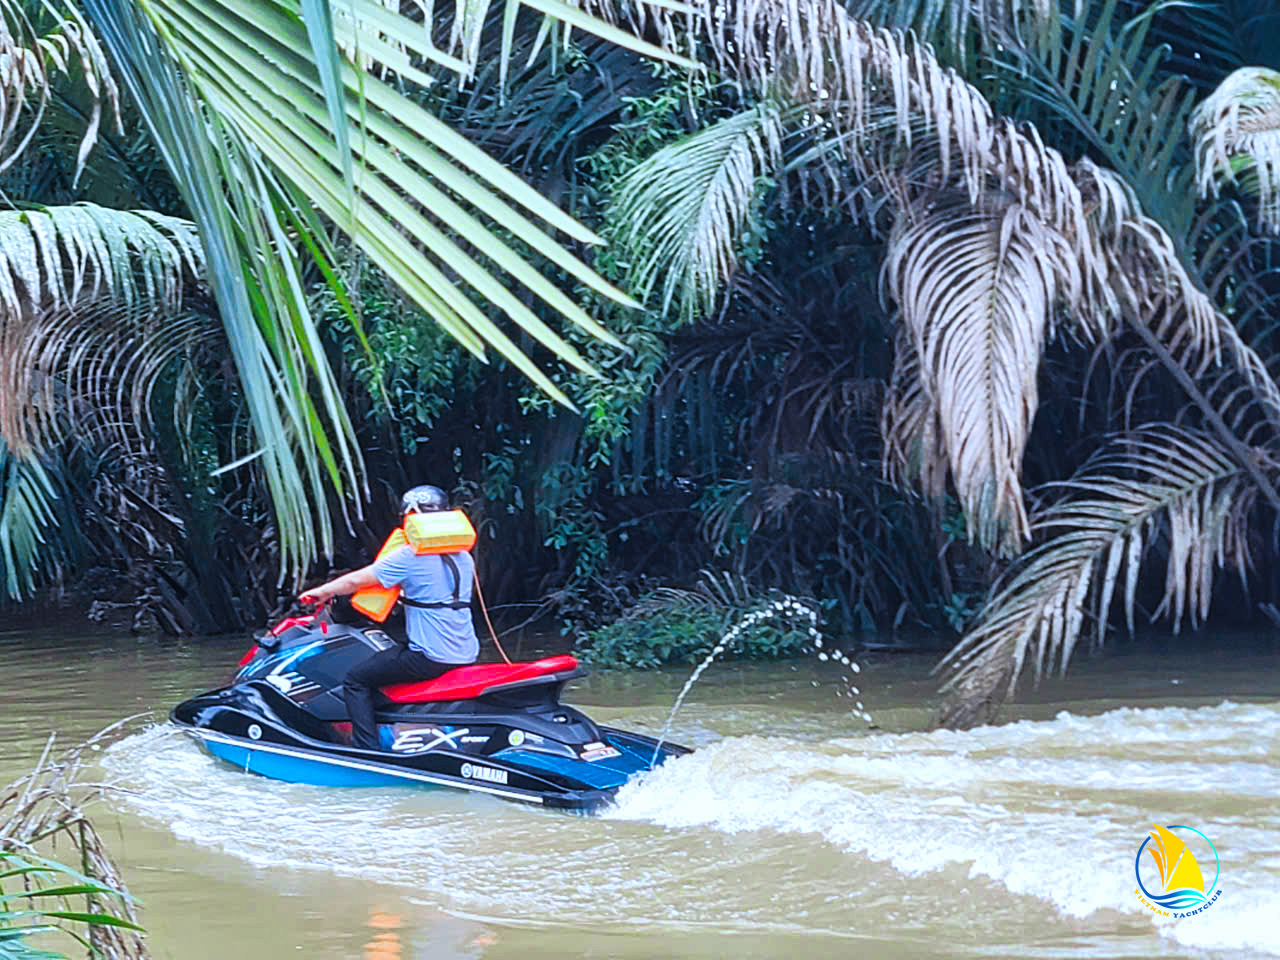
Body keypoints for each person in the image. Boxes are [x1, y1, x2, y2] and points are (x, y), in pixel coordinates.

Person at [298, 485, 479, 750]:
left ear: (413, 514)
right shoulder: (463, 556)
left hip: (430, 657)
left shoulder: (410, 555)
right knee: (389, 658)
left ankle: (366, 749)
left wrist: (322, 592)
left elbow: (358, 580)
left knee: (355, 680)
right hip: (466, 652)